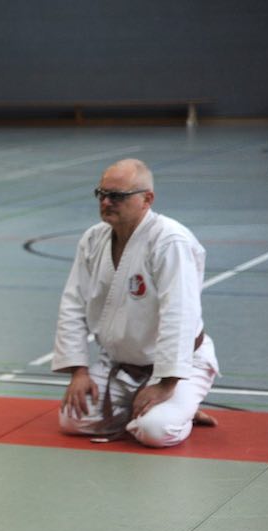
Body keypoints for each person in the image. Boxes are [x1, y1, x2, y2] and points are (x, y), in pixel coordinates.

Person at [52, 158, 219, 448]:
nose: (106, 202)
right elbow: (73, 303)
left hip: (178, 367)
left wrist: (166, 385)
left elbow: (179, 314)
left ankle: (178, 407)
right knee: (72, 419)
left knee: (156, 431)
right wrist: (78, 370)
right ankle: (156, 407)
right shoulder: (93, 240)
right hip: (121, 364)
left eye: (116, 196)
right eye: (101, 194)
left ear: (147, 199)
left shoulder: (170, 242)